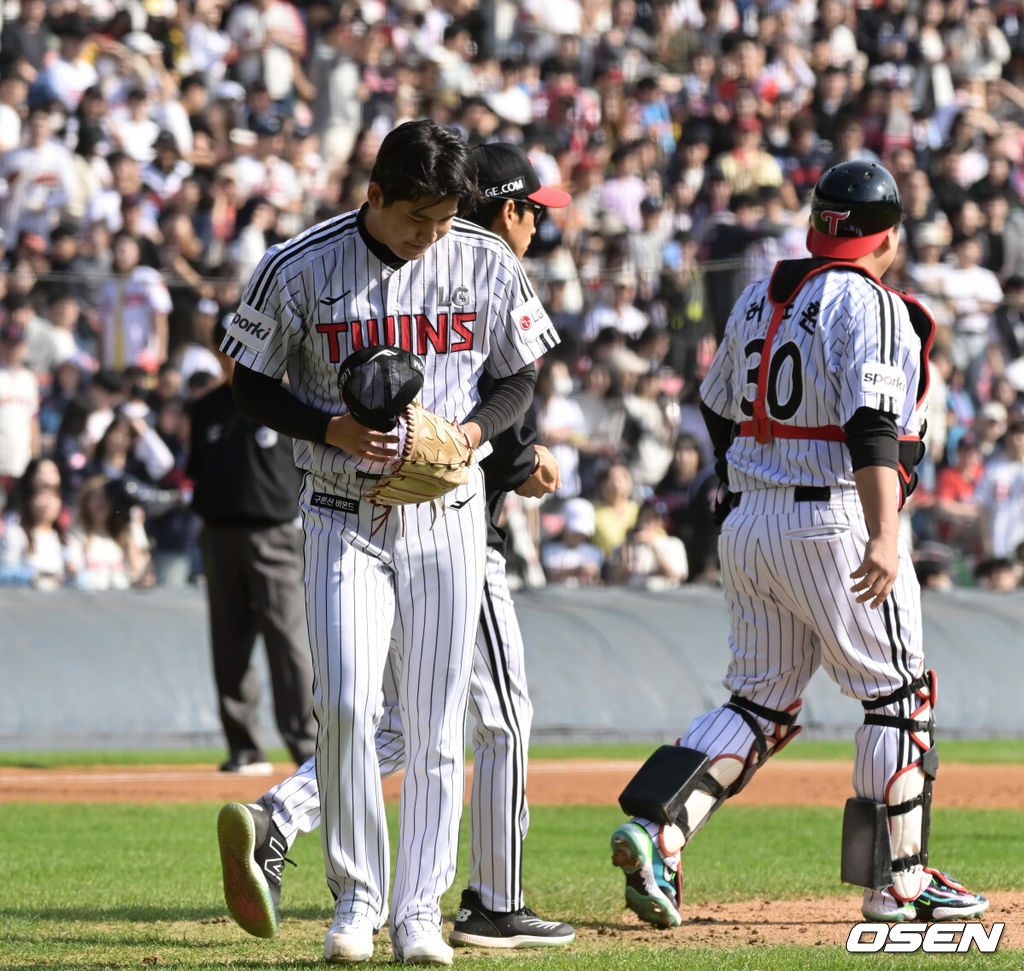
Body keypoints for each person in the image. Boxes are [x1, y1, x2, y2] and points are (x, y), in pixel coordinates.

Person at [214, 139, 574, 953]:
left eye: (447, 217)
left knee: (441, 721)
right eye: (419, 218)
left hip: (446, 512)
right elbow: (249, 382)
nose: (434, 235)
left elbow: (523, 374)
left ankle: (418, 909)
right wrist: (330, 426)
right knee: (345, 706)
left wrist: (474, 431)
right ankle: (357, 901)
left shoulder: (482, 257)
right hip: (341, 508)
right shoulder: (298, 265)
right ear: (375, 194)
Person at [609, 161, 988, 929]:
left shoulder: (761, 296)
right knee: (899, 698)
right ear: (889, 234)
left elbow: (716, 408)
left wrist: (740, 478)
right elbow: (872, 427)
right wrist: (885, 533)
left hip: (751, 518)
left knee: (760, 703)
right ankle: (899, 884)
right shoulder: (872, 303)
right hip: (835, 514)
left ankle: (658, 831)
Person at [187, 321, 317, 775]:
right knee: (229, 641)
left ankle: (307, 747)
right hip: (219, 534)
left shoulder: (281, 401)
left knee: (288, 642)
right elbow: (197, 469)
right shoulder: (205, 410)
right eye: (225, 348)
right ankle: (243, 747)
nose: (232, 356)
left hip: (276, 533)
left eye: (239, 347)